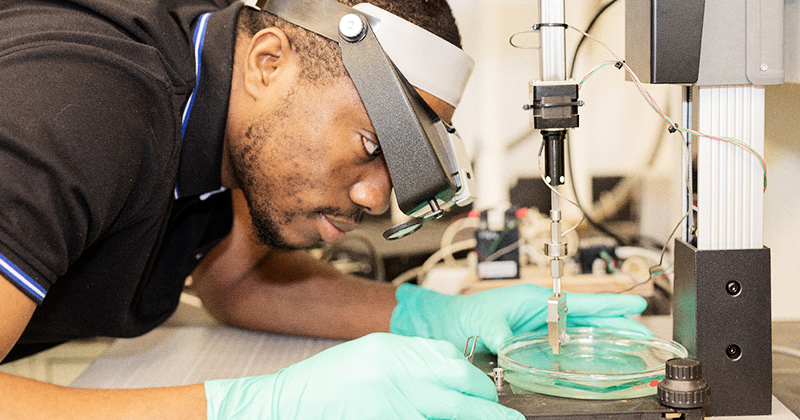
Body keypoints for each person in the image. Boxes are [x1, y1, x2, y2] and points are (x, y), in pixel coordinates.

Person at [0, 0, 650, 417]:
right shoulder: (87, 107)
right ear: (268, 62)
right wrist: (256, 409)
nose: (374, 197)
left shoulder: (217, 105)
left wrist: (435, 315)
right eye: (371, 144)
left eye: (398, 167)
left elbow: (238, 282)